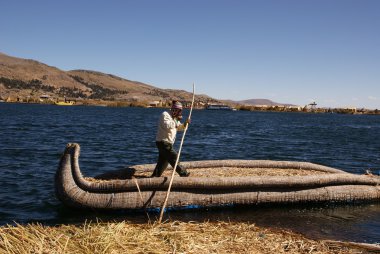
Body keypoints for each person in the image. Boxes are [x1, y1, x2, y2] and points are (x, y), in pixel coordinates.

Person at [151, 100, 190, 177]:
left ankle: (155, 176)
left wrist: (185, 124)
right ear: (174, 109)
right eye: (178, 110)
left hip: (168, 143)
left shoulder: (174, 118)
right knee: (174, 156)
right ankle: (183, 173)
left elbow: (179, 127)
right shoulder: (165, 114)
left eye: (179, 111)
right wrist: (176, 121)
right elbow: (167, 126)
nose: (178, 112)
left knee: (163, 163)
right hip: (163, 142)